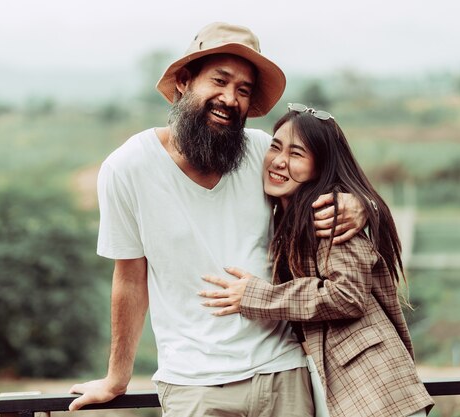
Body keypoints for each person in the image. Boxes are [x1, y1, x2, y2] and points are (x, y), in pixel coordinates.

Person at [68, 23, 367, 416]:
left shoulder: (263, 153)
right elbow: (129, 277)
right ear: (184, 82)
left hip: (283, 373)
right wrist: (116, 379)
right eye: (220, 81)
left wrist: (360, 206)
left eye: (243, 90)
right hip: (194, 384)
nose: (230, 98)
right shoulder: (128, 168)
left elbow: (325, 186)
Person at [199, 103, 435, 416]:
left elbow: (346, 296)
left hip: (373, 388)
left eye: (296, 154)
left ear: (319, 167)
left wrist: (259, 296)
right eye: (276, 147)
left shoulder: (327, 214)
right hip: (340, 388)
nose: (280, 162)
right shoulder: (290, 217)